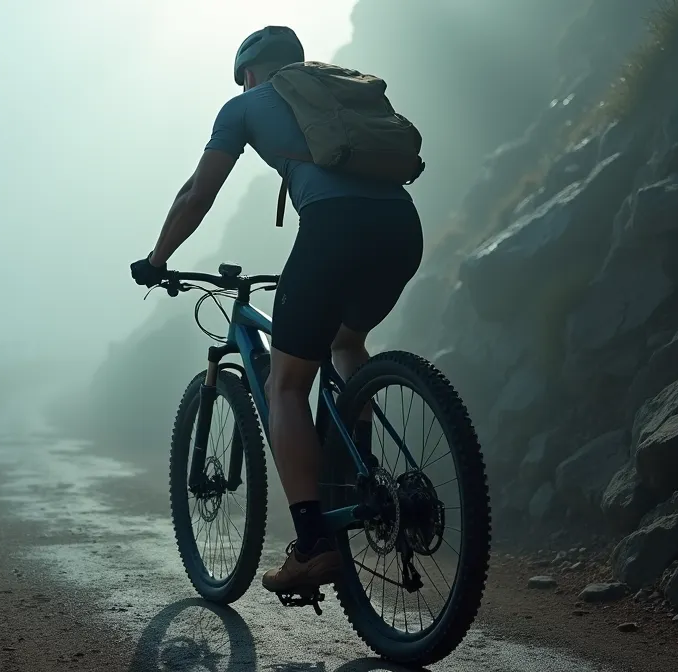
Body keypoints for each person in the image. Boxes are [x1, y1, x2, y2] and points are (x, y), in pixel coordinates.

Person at [128, 26, 424, 594]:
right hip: (401, 228)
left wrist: (157, 258)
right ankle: (359, 481)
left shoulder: (246, 105)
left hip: (333, 230)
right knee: (345, 342)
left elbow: (197, 193)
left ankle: (314, 544)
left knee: (285, 385)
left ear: (250, 72)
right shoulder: (338, 92)